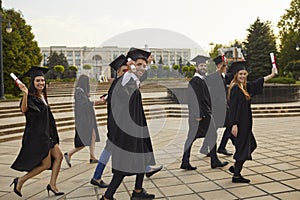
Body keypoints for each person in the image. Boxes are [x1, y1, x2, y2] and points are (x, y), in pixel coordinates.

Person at [100, 48, 156, 200]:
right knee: (122, 167)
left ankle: (138, 191)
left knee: (142, 158)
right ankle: (107, 197)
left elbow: (138, 78)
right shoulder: (125, 80)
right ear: (130, 65)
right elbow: (129, 81)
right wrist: (132, 69)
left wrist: (145, 65)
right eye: (139, 64)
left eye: (144, 66)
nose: (142, 68)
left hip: (136, 129)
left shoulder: (132, 80)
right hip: (125, 132)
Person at [10, 66, 64, 197]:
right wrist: (25, 93)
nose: (41, 83)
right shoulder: (31, 97)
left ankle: (52, 185)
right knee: (46, 164)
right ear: (33, 83)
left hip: (48, 134)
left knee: (59, 156)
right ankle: (20, 181)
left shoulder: (42, 96)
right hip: (38, 136)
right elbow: (24, 110)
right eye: (38, 81)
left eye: (42, 81)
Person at [228, 61, 275, 183]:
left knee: (251, 145)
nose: (243, 76)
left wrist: (271, 75)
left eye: (244, 74)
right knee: (244, 148)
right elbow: (233, 108)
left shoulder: (244, 86)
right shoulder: (235, 88)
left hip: (245, 124)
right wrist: (234, 124)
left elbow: (256, 83)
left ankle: (235, 168)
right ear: (235, 75)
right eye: (240, 74)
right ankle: (236, 175)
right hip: (239, 124)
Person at [181, 63, 228, 170]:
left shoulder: (202, 80)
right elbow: (193, 99)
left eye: (205, 66)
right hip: (199, 115)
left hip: (205, 113)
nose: (204, 68)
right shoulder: (195, 81)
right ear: (196, 68)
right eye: (201, 66)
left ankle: (214, 160)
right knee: (192, 138)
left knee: (211, 135)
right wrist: (197, 114)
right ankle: (186, 161)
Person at [64, 74, 101, 167]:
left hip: (88, 117)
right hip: (84, 119)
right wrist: (95, 102)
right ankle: (69, 154)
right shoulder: (79, 91)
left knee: (93, 136)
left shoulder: (81, 91)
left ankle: (92, 157)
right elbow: (84, 104)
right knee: (85, 139)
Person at [210, 55, 234, 156]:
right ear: (219, 66)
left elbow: (232, 75)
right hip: (217, 108)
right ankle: (221, 147)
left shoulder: (223, 77)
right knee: (228, 125)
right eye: (225, 65)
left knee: (214, 129)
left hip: (222, 108)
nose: (226, 67)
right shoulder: (214, 77)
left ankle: (210, 149)